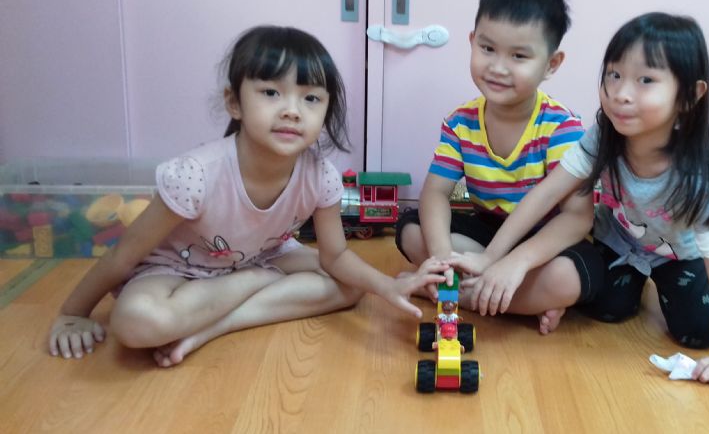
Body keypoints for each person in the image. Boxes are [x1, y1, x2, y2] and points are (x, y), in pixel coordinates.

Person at [47, 25, 448, 367]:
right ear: (234, 103)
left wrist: (389, 286)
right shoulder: (195, 175)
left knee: (351, 285)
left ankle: (213, 327)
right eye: (271, 93)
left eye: (310, 98)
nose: (292, 110)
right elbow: (124, 254)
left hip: (265, 255)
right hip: (177, 270)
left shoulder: (320, 176)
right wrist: (72, 313)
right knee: (135, 324)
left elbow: (337, 258)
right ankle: (255, 282)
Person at [469, 13, 709, 385]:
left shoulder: (696, 182)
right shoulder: (604, 134)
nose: (621, 93)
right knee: (604, 307)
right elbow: (547, 192)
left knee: (697, 331)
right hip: (620, 243)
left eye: (646, 80)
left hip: (679, 256)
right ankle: (635, 288)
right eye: (614, 74)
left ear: (690, 95)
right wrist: (492, 257)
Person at [395, 0, 604, 335]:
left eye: (519, 56)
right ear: (472, 41)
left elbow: (576, 218)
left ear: (552, 64)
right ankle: (498, 296)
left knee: (572, 276)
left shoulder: (562, 128)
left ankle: (460, 295)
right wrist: (442, 259)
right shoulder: (461, 123)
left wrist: (516, 262)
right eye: (487, 49)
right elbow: (435, 193)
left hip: (542, 243)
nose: (497, 67)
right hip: (487, 235)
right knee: (412, 230)